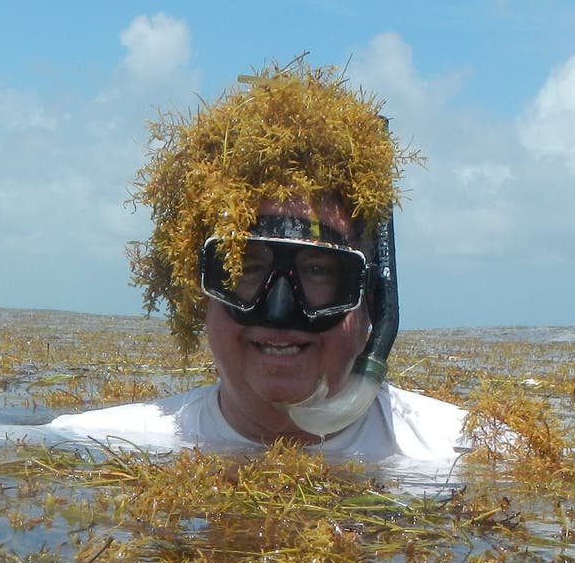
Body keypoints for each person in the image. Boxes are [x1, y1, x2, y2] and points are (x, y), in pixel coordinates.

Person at [43, 60, 468, 465]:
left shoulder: (470, 452)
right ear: (196, 292)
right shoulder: (95, 448)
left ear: (370, 301)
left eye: (318, 270)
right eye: (244, 267)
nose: (280, 312)